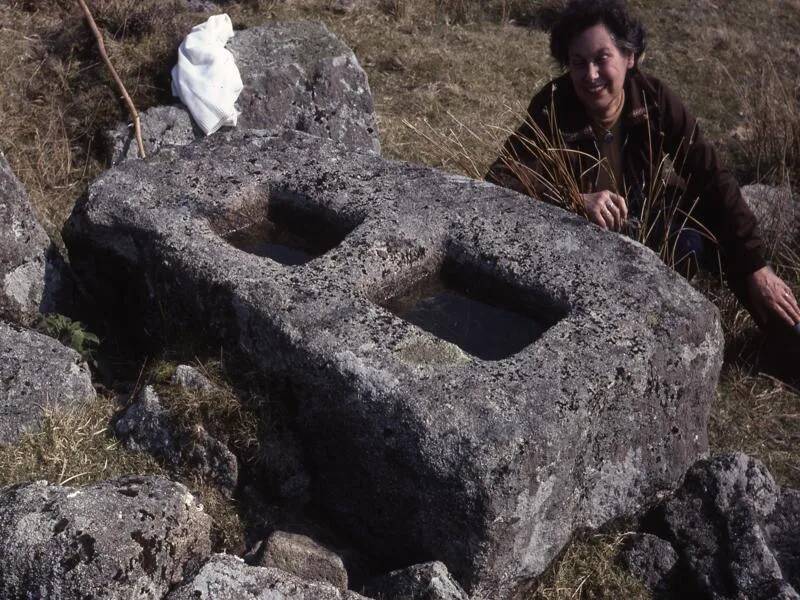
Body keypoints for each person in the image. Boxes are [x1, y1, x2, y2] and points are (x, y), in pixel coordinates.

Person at [486, 0, 800, 334]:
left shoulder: (653, 100)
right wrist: (574, 200)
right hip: (580, 245)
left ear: (629, 56)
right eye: (578, 63)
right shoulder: (553, 106)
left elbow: (712, 179)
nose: (590, 75)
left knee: (706, 224)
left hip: (645, 224)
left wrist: (756, 267)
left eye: (601, 58)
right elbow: (500, 180)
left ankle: (782, 335)